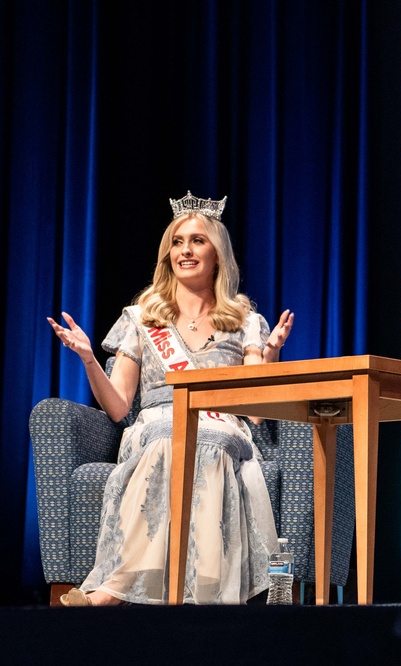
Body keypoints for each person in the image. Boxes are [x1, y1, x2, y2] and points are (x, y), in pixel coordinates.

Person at [48, 191, 294, 606]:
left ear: (218, 253)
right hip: (157, 423)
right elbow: (119, 406)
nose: (186, 250)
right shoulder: (142, 318)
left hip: (221, 422)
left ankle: (192, 594)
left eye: (197, 240)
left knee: (206, 438)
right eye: (177, 242)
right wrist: (90, 360)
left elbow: (253, 412)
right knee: (169, 432)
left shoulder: (246, 321)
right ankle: (118, 588)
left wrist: (270, 357)